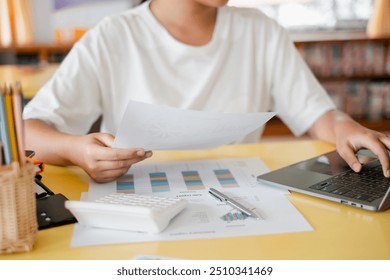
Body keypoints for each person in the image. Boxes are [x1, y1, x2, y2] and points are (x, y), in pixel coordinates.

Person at [23, 0, 390, 183]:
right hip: (138, 199)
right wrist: (76, 150)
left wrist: (345, 127)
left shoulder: (260, 31)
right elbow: (27, 132)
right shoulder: (113, 36)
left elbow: (316, 112)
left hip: (244, 196)